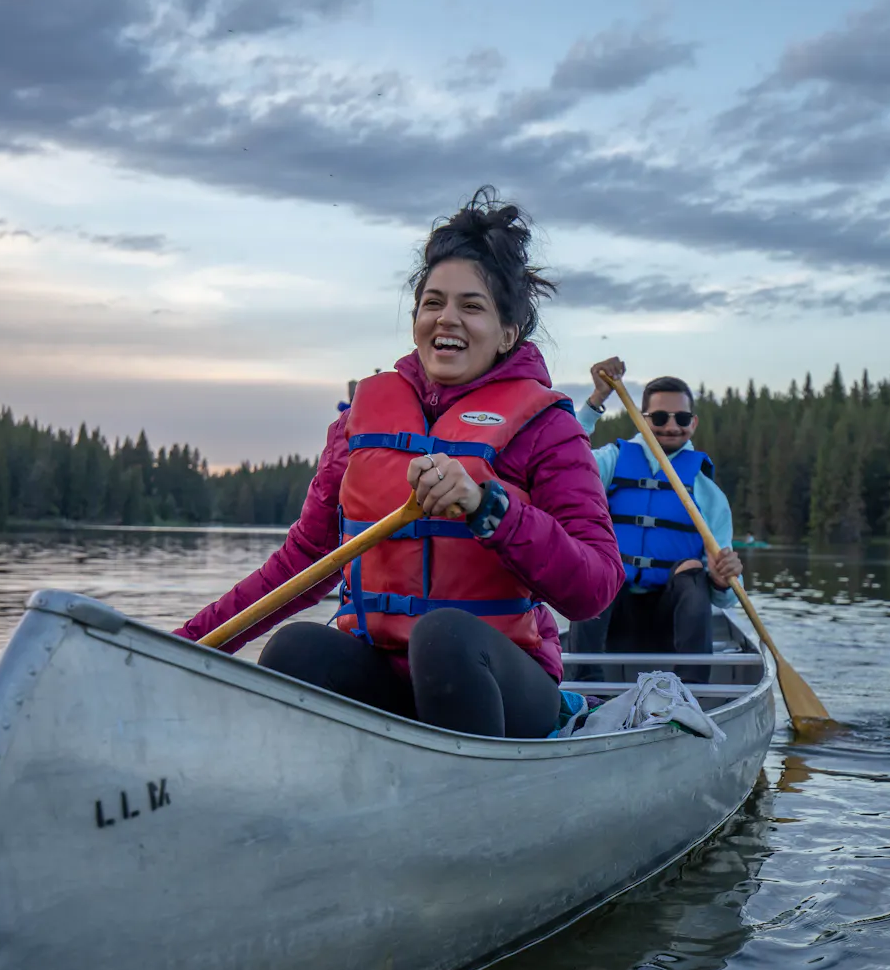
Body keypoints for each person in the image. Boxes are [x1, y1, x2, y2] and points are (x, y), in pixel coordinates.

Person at [175, 190, 623, 738]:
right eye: (432, 303)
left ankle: (476, 807)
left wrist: (490, 506)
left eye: (472, 306)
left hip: (500, 686)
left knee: (444, 639)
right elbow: (301, 564)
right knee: (296, 650)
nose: (446, 319)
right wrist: (183, 645)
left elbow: (596, 587)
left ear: (508, 333)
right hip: (390, 677)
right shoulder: (357, 426)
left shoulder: (549, 428)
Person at [569, 359, 742, 683]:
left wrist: (722, 579)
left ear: (693, 423)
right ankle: (585, 684)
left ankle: (690, 693)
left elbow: (728, 595)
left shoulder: (707, 492)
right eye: (660, 417)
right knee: (595, 563)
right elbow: (565, 458)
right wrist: (595, 401)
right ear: (644, 419)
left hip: (670, 622)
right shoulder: (612, 461)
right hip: (609, 611)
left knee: (692, 571)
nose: (671, 426)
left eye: (682, 418)